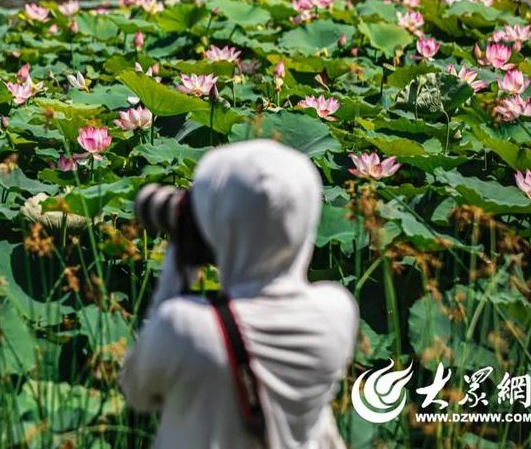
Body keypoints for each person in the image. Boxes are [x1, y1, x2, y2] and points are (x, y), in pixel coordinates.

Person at [119, 139, 359, 449]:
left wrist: (176, 267)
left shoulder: (183, 327)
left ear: (220, 223)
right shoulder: (336, 312)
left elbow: (137, 392)